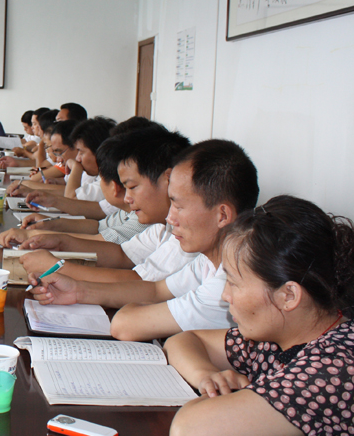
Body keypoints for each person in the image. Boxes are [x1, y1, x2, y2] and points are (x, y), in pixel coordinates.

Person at [166, 195, 354, 436]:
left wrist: (224, 417)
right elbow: (185, 340)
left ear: (288, 296)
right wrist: (207, 376)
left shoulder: (342, 370)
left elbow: (189, 434)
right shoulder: (286, 332)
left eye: (234, 283)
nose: (225, 296)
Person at [28, 140, 259, 342]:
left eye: (178, 206)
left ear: (222, 215)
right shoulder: (208, 260)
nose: (170, 218)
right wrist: (77, 291)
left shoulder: (232, 279)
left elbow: (126, 325)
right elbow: (155, 290)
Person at [14, 125, 191, 281]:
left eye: (131, 186)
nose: (127, 198)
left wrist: (56, 261)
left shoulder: (182, 235)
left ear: (168, 179)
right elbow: (120, 253)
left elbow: (145, 286)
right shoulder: (160, 228)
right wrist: (56, 238)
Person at [15, 133, 150, 245]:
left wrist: (34, 235)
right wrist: (49, 223)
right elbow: (98, 226)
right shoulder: (126, 211)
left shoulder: (142, 219)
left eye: (81, 151)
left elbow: (103, 241)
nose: (78, 158)